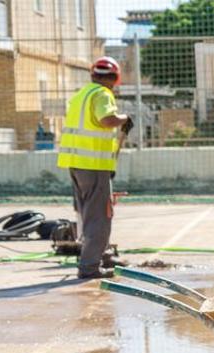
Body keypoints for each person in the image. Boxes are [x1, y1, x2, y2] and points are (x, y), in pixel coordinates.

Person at [56, 56, 132, 279]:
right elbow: (106, 120)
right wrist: (125, 118)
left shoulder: (82, 94)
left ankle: (102, 255)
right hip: (93, 165)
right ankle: (89, 267)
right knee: (99, 216)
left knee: (89, 214)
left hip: (77, 164)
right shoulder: (102, 94)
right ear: (115, 78)